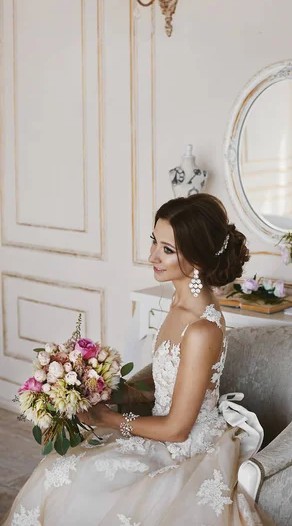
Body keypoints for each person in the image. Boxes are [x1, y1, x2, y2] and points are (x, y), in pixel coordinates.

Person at [4, 194, 273, 526]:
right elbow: (164, 389)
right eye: (154, 242)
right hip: (157, 432)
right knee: (57, 474)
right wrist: (105, 389)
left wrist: (107, 418)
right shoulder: (178, 302)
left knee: (81, 488)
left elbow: (176, 430)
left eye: (167, 250)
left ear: (199, 260)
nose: (152, 256)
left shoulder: (202, 329)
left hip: (183, 449)